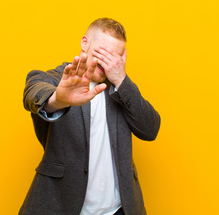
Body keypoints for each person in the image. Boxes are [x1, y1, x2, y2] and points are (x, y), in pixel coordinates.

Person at [19, 18, 161, 215]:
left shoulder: (121, 89)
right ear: (85, 43)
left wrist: (121, 79)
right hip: (64, 207)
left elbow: (150, 129)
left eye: (114, 59)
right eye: (101, 54)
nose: (106, 64)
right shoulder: (56, 79)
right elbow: (33, 93)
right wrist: (59, 99)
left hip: (119, 210)